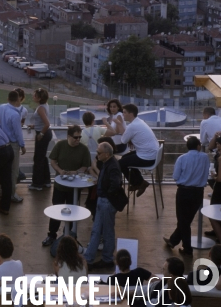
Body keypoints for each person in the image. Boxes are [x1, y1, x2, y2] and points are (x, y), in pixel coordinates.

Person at [42, 125, 92, 247]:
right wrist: (60, 171)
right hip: (60, 185)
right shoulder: (60, 145)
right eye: (75, 137)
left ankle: (68, 235)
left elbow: (85, 166)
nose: (78, 140)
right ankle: (52, 235)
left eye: (80, 137)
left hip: (75, 187)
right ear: (68, 136)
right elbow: (53, 161)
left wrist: (76, 172)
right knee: (56, 209)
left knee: (73, 211)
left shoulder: (84, 149)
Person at [163, 136, 209, 256]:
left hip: (184, 192)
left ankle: (187, 249)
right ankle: (173, 241)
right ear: (199, 146)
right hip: (198, 192)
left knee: (183, 221)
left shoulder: (181, 158)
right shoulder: (205, 157)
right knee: (186, 220)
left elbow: (176, 176)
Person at [83, 142, 123, 270]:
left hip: (106, 202)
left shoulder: (112, 166)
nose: (97, 155)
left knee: (107, 232)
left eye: (99, 153)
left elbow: (115, 184)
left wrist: (106, 194)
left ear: (106, 154)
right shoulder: (109, 163)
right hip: (103, 201)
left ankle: (106, 259)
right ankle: (89, 259)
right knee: (97, 230)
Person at [0, 90, 26, 203]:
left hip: (2, 143)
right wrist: (23, 145)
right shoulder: (15, 115)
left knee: (3, 168)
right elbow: (18, 132)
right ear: (18, 100)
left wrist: (0, 127)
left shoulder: (1, 107)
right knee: (13, 170)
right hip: (13, 145)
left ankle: (0, 191)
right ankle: (11, 194)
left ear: (7, 99)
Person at [119, 103, 159, 197]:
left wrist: (120, 124)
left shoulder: (132, 126)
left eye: (124, 112)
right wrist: (131, 139)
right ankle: (140, 182)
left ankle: (137, 183)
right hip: (152, 155)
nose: (122, 114)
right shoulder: (139, 122)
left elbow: (123, 140)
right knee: (125, 158)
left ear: (131, 114)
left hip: (147, 157)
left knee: (120, 164)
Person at [28, 88, 52, 191]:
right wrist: (35, 126)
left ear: (39, 98)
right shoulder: (44, 106)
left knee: (38, 159)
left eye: (34, 95)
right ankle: (46, 181)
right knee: (42, 157)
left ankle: (37, 184)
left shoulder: (41, 108)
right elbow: (43, 122)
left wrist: (41, 134)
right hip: (44, 132)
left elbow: (47, 124)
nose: (33, 97)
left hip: (43, 134)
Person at [208, 135, 221, 241]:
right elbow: (210, 146)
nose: (216, 145)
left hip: (219, 189)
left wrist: (214, 176)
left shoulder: (220, 158)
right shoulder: (218, 155)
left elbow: (220, 179)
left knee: (212, 212)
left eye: (218, 143)